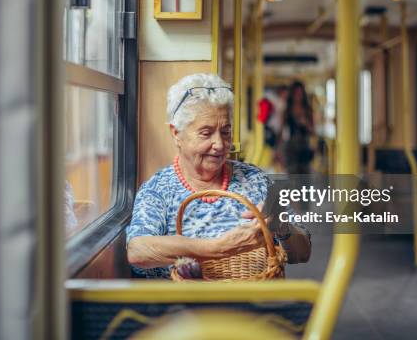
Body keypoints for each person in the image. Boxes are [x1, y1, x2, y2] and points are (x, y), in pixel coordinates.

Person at [126, 73, 311, 278]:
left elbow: (303, 253)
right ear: (176, 133)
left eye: (225, 132)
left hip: (252, 303)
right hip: (182, 307)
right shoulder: (159, 190)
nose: (220, 145)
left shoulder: (256, 181)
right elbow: (137, 251)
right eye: (206, 133)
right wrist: (216, 248)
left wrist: (282, 227)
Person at [280, 81, 315, 174]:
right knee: (292, 176)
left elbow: (312, 130)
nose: (298, 95)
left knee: (305, 177)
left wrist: (305, 123)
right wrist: (278, 151)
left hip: (304, 147)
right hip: (291, 148)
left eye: (300, 93)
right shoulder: (287, 110)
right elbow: (281, 131)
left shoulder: (308, 110)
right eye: (296, 93)